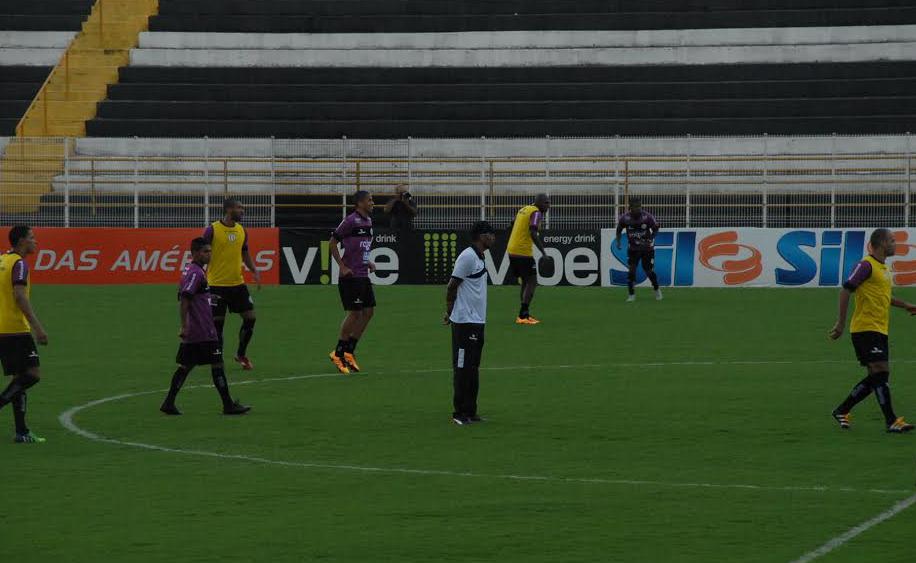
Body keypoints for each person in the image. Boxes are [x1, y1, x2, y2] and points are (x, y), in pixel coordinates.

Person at [829, 228, 915, 433]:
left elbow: (883, 297)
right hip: (865, 328)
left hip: (879, 328)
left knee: (879, 376)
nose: (895, 244)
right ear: (882, 243)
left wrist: (906, 305)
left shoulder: (883, 269)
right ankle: (891, 421)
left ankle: (842, 410)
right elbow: (846, 289)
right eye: (892, 241)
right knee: (881, 371)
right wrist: (840, 323)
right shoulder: (865, 265)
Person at [160, 238, 250, 416]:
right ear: (195, 253)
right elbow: (185, 298)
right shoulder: (196, 273)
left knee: (185, 366)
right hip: (203, 331)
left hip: (196, 330)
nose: (209, 254)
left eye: (210, 251)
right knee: (217, 364)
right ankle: (228, 405)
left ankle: (168, 403)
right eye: (205, 252)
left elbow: (191, 296)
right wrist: (184, 325)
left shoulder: (193, 270)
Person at [445, 221, 496, 425]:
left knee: (473, 367)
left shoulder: (480, 256)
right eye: (490, 234)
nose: (493, 237)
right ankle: (459, 413)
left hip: (477, 321)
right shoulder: (467, 257)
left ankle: (471, 411)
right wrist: (450, 311)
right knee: (462, 367)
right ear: (480, 236)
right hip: (465, 322)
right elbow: (451, 286)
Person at [0, 226, 48, 443]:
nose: (35, 241)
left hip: (2, 328)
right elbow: (20, 297)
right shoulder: (19, 264)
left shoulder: (2, 260)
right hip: (15, 328)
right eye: (31, 238)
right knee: (32, 374)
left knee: (19, 378)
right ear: (21, 241)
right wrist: (37, 327)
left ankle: (22, 432)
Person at [202, 198, 261, 371]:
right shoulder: (212, 230)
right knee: (218, 326)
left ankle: (241, 354)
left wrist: (254, 270)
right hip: (216, 286)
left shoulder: (242, 230)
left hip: (237, 284)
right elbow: (201, 253)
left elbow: (245, 253)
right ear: (228, 210)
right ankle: (217, 361)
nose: (242, 210)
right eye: (238, 207)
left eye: (242, 207)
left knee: (250, 318)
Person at [329, 191, 377, 375]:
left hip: (363, 274)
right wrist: (341, 266)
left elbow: (361, 247)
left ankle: (349, 351)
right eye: (369, 200)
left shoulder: (368, 222)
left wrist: (368, 262)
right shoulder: (350, 221)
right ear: (359, 203)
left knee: (369, 312)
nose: (373, 203)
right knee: (355, 313)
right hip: (350, 277)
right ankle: (338, 352)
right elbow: (332, 242)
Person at [507, 194, 551, 324]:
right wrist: (543, 252)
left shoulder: (524, 209)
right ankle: (523, 315)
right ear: (539, 203)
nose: (548, 206)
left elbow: (512, 224)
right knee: (532, 282)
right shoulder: (536, 213)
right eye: (546, 203)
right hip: (523, 252)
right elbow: (532, 231)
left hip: (512, 249)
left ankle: (524, 314)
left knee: (526, 282)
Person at [616, 198, 662, 302]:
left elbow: (656, 229)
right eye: (635, 207)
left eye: (639, 207)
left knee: (649, 271)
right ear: (630, 208)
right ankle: (631, 295)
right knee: (631, 271)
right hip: (633, 249)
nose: (638, 209)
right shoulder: (625, 218)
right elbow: (619, 229)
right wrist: (618, 242)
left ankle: (657, 289)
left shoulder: (647, 217)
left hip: (647, 249)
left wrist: (652, 238)